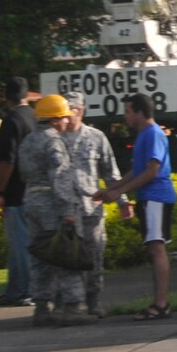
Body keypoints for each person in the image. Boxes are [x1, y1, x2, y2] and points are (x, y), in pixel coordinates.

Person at [17, 94, 103, 326]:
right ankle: (73, 307)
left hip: (32, 201)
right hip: (52, 204)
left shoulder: (28, 141)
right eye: (63, 117)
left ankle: (42, 308)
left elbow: (24, 173)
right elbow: (61, 176)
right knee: (67, 253)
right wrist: (68, 209)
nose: (66, 121)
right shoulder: (54, 141)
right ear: (55, 119)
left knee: (41, 256)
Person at [94, 94, 176, 320]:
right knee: (153, 247)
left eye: (128, 111)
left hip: (156, 196)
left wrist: (119, 192)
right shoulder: (144, 135)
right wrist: (112, 189)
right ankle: (160, 303)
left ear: (140, 112)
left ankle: (161, 304)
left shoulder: (153, 134)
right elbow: (137, 170)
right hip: (150, 197)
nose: (125, 116)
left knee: (157, 247)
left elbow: (152, 170)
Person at [63, 103, 123, 318]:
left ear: (81, 111)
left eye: (71, 110)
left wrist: (122, 201)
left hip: (92, 208)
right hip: (67, 211)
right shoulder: (55, 138)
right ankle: (72, 304)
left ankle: (94, 301)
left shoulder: (96, 137)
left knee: (95, 257)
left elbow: (110, 172)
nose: (67, 116)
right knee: (69, 260)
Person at [0, 77, 39, 307]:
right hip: (34, 190)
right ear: (27, 95)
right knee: (24, 243)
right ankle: (15, 289)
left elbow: (6, 161)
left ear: (6, 97)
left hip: (16, 192)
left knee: (19, 245)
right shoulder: (35, 118)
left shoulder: (10, 121)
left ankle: (24, 290)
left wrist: (0, 191)